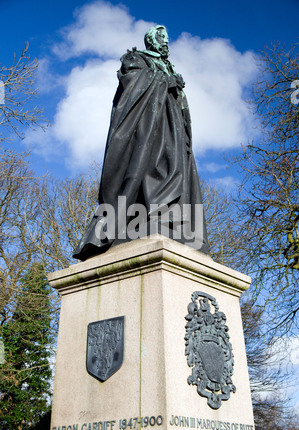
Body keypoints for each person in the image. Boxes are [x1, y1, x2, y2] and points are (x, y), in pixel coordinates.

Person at [73, 25, 209, 261]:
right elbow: (132, 86)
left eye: (168, 39)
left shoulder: (168, 67)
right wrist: (166, 82)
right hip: (147, 128)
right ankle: (145, 215)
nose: (166, 43)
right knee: (147, 168)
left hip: (171, 128)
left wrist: (177, 91)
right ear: (151, 41)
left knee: (176, 168)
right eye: (161, 39)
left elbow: (179, 103)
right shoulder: (138, 59)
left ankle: (169, 216)